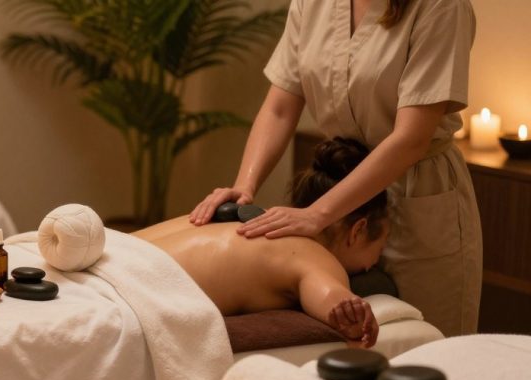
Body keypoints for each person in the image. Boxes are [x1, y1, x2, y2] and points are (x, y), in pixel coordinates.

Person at [187, 0, 481, 337]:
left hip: (416, 198)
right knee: (344, 339)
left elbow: (411, 138)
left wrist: (318, 214)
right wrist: (245, 185)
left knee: (426, 349)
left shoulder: (441, 6)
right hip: (339, 196)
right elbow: (281, 108)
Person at [137, 137, 386, 347]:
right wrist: (354, 318)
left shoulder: (246, 214)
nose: (370, 267)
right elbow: (331, 298)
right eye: (380, 249)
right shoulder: (314, 255)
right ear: (358, 230)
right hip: (129, 293)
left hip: (117, 253)